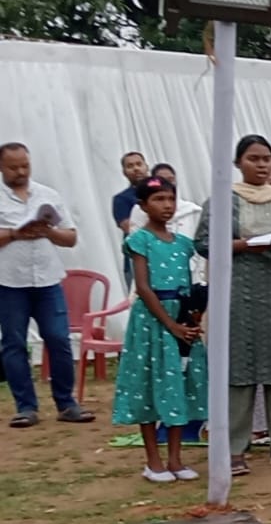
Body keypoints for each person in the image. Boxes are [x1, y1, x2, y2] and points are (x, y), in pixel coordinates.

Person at [196, 135, 271, 472]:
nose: (262, 165)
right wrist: (246, 245)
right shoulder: (222, 200)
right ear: (238, 163)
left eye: (267, 159)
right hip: (239, 294)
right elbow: (203, 243)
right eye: (254, 159)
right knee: (240, 369)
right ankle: (235, 448)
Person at [112, 177, 206, 483]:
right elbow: (143, 286)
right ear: (142, 206)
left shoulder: (183, 244)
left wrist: (191, 316)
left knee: (178, 384)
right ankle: (153, 461)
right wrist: (170, 324)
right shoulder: (139, 240)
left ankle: (175, 459)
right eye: (158, 199)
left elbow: (191, 282)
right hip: (153, 322)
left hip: (181, 317)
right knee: (150, 385)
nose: (166, 205)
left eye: (170, 199)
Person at [0, 143, 95, 427]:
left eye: (25, 165)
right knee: (14, 344)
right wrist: (15, 233)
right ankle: (26, 407)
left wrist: (48, 231)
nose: (21, 172)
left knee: (59, 339)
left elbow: (71, 237)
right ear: (1, 167)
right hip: (9, 282)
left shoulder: (47, 195)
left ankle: (66, 404)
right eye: (13, 167)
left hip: (48, 280)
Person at [111, 151, 151, 287]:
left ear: (146, 166)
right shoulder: (121, 199)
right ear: (124, 172)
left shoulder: (162, 192)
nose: (136, 168)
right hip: (137, 260)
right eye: (130, 166)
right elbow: (130, 228)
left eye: (139, 164)